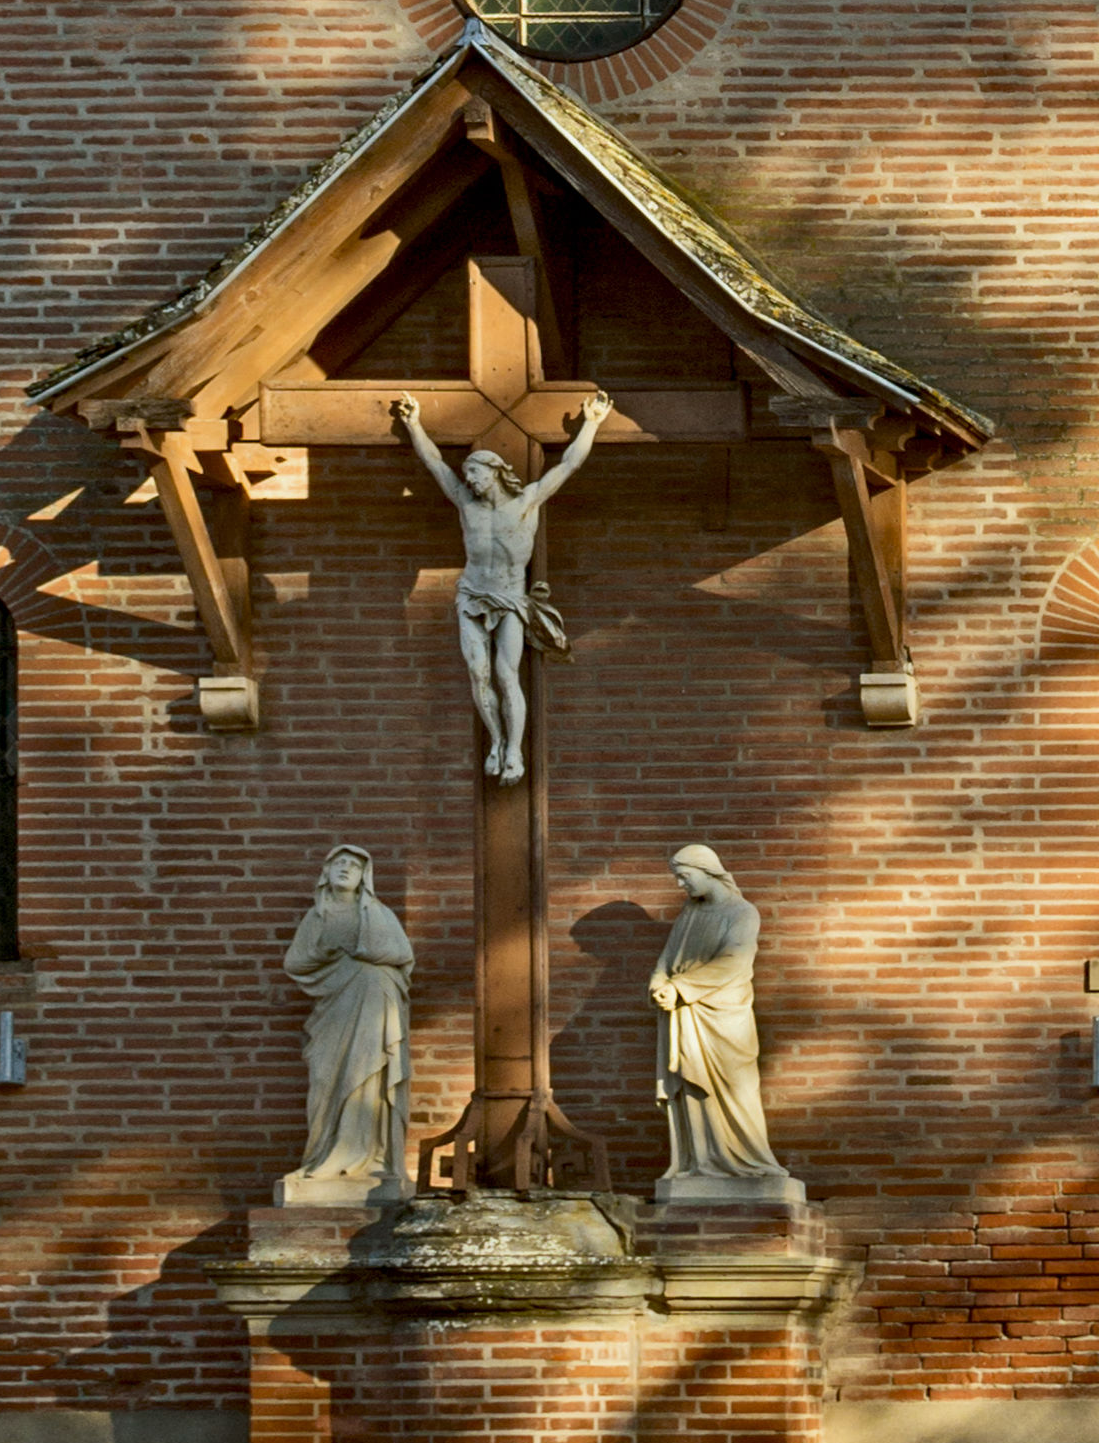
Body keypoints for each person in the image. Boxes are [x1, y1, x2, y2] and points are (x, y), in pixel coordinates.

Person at [394, 385, 604, 784]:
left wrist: (590, 425)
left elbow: (568, 466)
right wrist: (414, 423)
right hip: (472, 594)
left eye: (475, 472)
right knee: (478, 672)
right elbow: (435, 462)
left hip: (509, 597)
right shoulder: (464, 503)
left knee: (507, 675)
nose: (468, 479)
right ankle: (494, 740)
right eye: (468, 474)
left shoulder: (526, 501)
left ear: (493, 470)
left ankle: (514, 751)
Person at [651, 842, 795, 1203]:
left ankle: (748, 1160)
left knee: (734, 1090)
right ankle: (698, 1164)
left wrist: (680, 987)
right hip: (688, 1016)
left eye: (684, 876)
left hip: (724, 1018)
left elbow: (735, 961)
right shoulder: (689, 915)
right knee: (693, 1092)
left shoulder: (742, 912)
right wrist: (659, 984)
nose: (681, 885)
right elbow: (666, 959)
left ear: (706, 871)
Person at [280, 849, 412, 1203]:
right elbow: (295, 960)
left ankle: (372, 1159)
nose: (345, 870)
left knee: (369, 1080)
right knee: (326, 1078)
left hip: (375, 1007)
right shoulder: (317, 916)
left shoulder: (379, 914)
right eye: (339, 864)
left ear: (363, 876)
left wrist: (361, 948)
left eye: (354, 866)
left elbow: (401, 955)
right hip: (334, 1010)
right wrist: (325, 955)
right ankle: (323, 1156)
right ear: (326, 872)